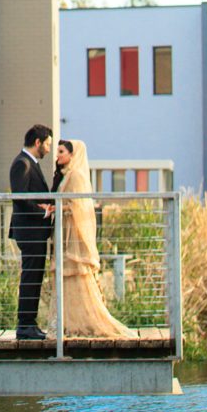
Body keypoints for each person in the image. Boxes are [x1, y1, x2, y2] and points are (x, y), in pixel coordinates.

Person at [46, 138, 136, 339]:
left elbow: (80, 206)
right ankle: (68, 323)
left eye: (61, 151)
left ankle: (80, 322)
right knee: (65, 277)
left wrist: (59, 207)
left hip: (72, 235)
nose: (58, 155)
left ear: (72, 154)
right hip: (63, 232)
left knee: (75, 275)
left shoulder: (76, 176)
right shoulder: (66, 176)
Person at [7, 123, 55, 342]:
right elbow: (20, 197)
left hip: (34, 232)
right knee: (30, 277)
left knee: (34, 277)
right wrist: (42, 210)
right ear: (38, 142)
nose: (49, 149)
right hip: (30, 231)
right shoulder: (22, 163)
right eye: (47, 144)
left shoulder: (28, 162)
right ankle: (25, 325)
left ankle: (29, 323)